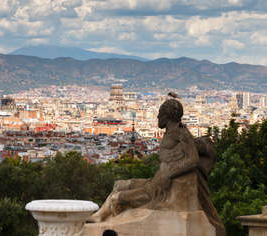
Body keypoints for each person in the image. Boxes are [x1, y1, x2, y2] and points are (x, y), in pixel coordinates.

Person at [88, 95, 217, 223]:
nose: (157, 117)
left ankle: (102, 218)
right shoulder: (172, 133)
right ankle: (101, 216)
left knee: (116, 197)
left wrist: (170, 173)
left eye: (160, 113)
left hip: (159, 186)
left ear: (168, 115)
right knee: (118, 184)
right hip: (156, 180)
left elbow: (193, 159)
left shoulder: (180, 133)